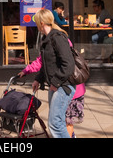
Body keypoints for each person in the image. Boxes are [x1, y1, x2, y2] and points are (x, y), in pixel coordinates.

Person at [18, 42, 85, 138]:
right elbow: (44, 64)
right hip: (65, 89)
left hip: (69, 91)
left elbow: (40, 62)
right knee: (62, 120)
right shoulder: (57, 45)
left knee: (66, 122)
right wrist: (37, 78)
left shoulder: (57, 45)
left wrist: (27, 71)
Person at [31, 8, 75, 138]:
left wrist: (55, 83)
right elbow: (47, 64)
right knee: (58, 121)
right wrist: (38, 79)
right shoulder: (47, 39)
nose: (36, 25)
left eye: (37, 22)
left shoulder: (58, 38)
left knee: (55, 123)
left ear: (42, 23)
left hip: (63, 85)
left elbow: (68, 64)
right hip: (55, 85)